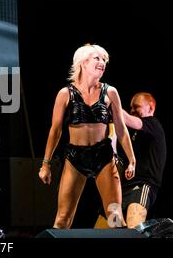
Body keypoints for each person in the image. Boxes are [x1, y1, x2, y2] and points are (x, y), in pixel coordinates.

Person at [38, 43, 136, 228]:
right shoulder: (65, 93)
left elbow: (122, 130)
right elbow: (55, 131)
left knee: (115, 217)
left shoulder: (110, 92)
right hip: (75, 158)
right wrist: (45, 164)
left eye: (105, 60)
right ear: (83, 62)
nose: (102, 62)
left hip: (104, 157)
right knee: (62, 219)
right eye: (97, 58)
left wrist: (131, 159)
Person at [121, 92, 167, 228]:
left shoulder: (153, 125)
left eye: (136, 106)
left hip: (141, 186)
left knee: (133, 229)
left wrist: (112, 102)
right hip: (121, 190)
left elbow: (128, 119)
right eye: (131, 107)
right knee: (103, 231)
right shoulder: (134, 134)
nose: (132, 110)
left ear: (150, 108)